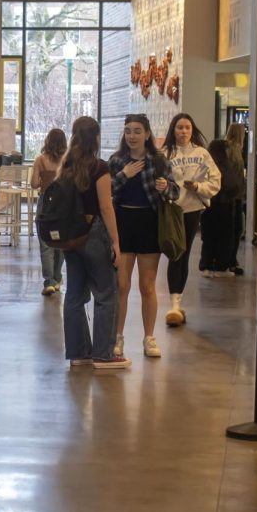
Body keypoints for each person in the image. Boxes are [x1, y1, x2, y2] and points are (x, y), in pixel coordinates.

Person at [59, 116, 128, 369]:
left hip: (70, 236)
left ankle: (78, 352)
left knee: (75, 294)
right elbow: (105, 207)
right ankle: (104, 354)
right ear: (96, 138)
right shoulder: (99, 167)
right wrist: (116, 242)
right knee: (106, 293)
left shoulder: (65, 166)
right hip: (94, 233)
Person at [109, 114, 178, 359]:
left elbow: (175, 191)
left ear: (147, 134)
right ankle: (116, 338)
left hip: (149, 224)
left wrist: (165, 187)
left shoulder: (158, 161)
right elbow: (106, 192)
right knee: (121, 286)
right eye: (128, 131)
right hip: (123, 224)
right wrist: (123, 175)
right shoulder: (117, 161)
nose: (132, 136)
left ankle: (149, 338)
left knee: (147, 286)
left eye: (137, 131)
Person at [161, 113, 220, 327]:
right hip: (172, 210)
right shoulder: (165, 154)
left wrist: (198, 187)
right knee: (174, 253)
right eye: (179, 127)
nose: (183, 131)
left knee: (184, 256)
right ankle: (173, 305)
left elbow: (215, 181)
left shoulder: (202, 154)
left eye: (187, 127)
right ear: (173, 130)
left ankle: (177, 303)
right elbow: (157, 179)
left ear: (192, 129)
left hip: (193, 210)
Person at [30, 128, 68, 295]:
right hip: (63, 204)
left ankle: (49, 281)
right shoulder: (67, 160)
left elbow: (33, 184)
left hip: (45, 203)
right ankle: (58, 276)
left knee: (46, 243)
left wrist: (44, 180)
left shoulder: (40, 160)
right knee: (61, 242)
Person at [199, 139, 243, 278]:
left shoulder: (205, 164)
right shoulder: (225, 165)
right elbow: (233, 186)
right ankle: (221, 267)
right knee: (224, 238)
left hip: (207, 206)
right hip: (224, 206)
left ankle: (206, 265)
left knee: (208, 238)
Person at [224, 123, 248, 275]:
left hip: (233, 194)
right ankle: (231, 260)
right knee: (235, 228)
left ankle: (230, 260)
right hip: (235, 195)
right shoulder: (234, 150)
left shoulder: (228, 148)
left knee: (235, 228)